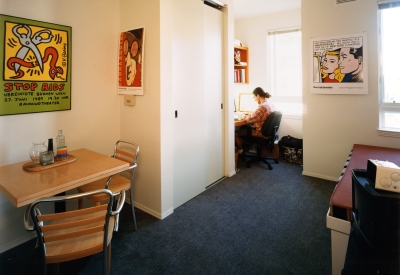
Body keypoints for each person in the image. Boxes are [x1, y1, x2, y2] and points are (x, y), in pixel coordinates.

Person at [235, 87, 275, 155]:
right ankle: (241, 151)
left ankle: (240, 153)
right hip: (267, 133)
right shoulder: (268, 104)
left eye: (254, 97)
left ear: (258, 96)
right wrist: (250, 115)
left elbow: (249, 119)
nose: (255, 100)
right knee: (242, 128)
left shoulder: (262, 106)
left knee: (235, 133)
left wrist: (243, 116)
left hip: (259, 133)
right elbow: (257, 116)